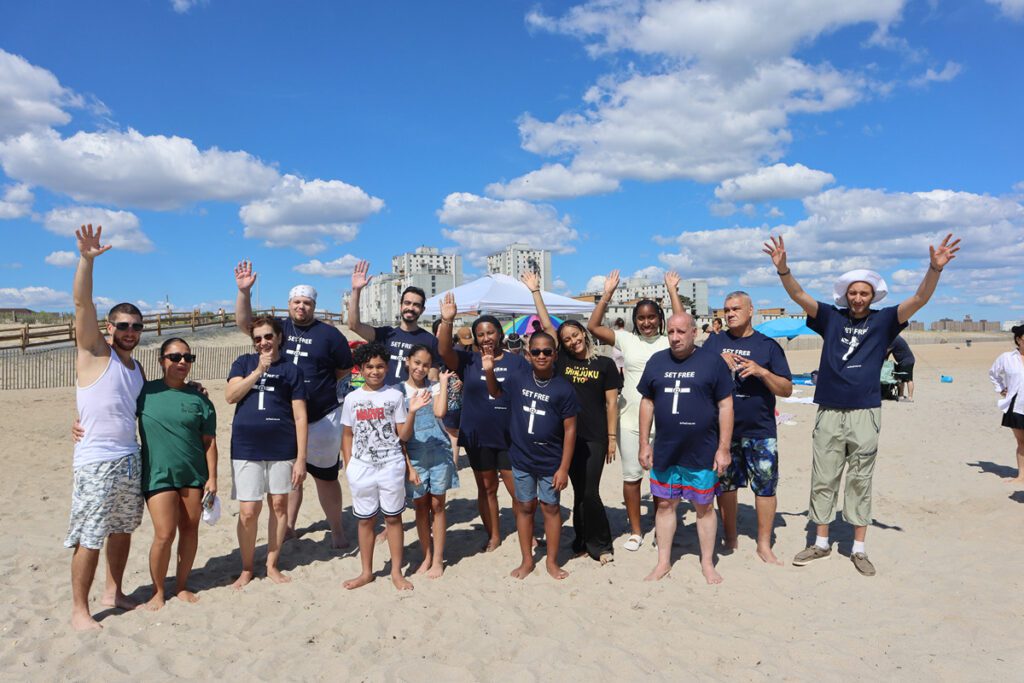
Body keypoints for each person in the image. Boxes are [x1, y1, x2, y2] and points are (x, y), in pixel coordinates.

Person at [764, 233, 960, 576]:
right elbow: (798, 295)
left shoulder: (884, 321)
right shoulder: (830, 317)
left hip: (865, 411)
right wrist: (783, 269)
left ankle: (858, 548)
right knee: (823, 477)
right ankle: (820, 543)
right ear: (845, 295)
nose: (857, 298)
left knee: (860, 479)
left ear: (873, 295)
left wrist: (934, 269)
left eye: (864, 293)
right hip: (829, 409)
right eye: (853, 292)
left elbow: (919, 298)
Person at [234, 262, 352, 548]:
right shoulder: (277, 329)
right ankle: (288, 527)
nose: (302, 307)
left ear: (314, 306)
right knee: (291, 478)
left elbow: (343, 370)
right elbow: (245, 324)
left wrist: (320, 391)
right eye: (297, 302)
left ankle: (336, 529)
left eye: (307, 303)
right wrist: (244, 293)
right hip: (286, 418)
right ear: (289, 304)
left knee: (325, 477)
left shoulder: (329, 334)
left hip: (323, 416)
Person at [66, 224, 146, 631]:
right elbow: (82, 305)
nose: (130, 331)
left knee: (122, 530)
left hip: (128, 459)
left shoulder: (136, 368)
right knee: (90, 536)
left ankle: (112, 591)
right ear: (110, 328)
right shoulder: (96, 352)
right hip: (95, 460)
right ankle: (80, 609)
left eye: (136, 326)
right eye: (123, 325)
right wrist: (86, 260)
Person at [525, 271, 621, 563]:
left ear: (584, 334)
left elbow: (611, 404)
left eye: (575, 335)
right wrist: (535, 292)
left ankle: (602, 545)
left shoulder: (604, 364)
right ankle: (581, 540)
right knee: (578, 492)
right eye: (566, 339)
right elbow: (546, 326)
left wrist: (611, 438)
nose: (572, 341)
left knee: (590, 492)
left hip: (594, 438)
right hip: (567, 438)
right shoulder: (562, 362)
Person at [587, 269, 685, 551]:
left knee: (661, 478)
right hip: (629, 418)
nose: (646, 322)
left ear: (660, 318)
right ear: (635, 320)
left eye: (652, 317)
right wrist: (606, 294)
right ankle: (636, 530)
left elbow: (683, 321)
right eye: (641, 318)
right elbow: (593, 327)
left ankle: (660, 527)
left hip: (665, 421)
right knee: (632, 476)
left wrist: (672, 291)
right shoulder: (625, 340)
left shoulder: (670, 339)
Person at [637, 313, 734, 584]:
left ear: (693, 332)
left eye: (681, 332)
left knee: (703, 505)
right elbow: (647, 402)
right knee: (666, 504)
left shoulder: (712, 362)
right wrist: (644, 443)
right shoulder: (657, 362)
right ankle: (663, 562)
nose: (675, 337)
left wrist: (723, 448)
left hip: (701, 450)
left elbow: (726, 405)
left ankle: (707, 563)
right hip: (666, 450)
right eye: (671, 332)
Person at [703, 292, 793, 565]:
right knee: (727, 487)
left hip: (760, 430)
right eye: (726, 310)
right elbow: (699, 373)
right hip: (724, 431)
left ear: (751, 310)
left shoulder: (767, 346)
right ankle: (730, 537)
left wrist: (761, 371)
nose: (730, 314)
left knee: (765, 488)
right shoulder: (715, 341)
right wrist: (719, 359)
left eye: (736, 309)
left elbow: (787, 389)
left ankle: (764, 545)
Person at [438, 292, 530, 552]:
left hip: (511, 435)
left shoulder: (517, 362)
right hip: (478, 434)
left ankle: (527, 531)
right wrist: (447, 321)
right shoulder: (468, 361)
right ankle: (494, 535)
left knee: (518, 491)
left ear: (500, 334)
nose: (486, 338)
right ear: (476, 339)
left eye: (490, 333)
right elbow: (443, 350)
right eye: (481, 334)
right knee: (487, 488)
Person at [483, 332, 578, 579]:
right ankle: (527, 560)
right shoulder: (518, 379)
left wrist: (564, 468)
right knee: (524, 506)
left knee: (550, 508)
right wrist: (490, 370)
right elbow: (495, 393)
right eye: (536, 352)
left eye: (547, 351)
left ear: (555, 354)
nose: (542, 356)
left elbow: (570, 430)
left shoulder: (563, 388)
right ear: (528, 354)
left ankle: (552, 563)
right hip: (522, 458)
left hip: (550, 461)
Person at [225, 317, 308, 588]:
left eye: (268, 336)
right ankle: (247, 567)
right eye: (258, 338)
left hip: (281, 447)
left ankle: (272, 563)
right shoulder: (244, 363)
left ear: (279, 337)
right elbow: (230, 396)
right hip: (247, 446)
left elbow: (299, 416)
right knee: (249, 510)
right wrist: (258, 371)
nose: (263, 342)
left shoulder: (292, 370)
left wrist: (301, 459)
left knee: (279, 505)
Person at [137, 338, 218, 609]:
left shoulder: (200, 400)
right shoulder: (144, 392)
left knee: (190, 529)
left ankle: (181, 586)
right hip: (157, 475)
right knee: (164, 533)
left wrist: (213, 478)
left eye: (187, 357)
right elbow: (112, 410)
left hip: (193, 474)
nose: (182, 362)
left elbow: (209, 442)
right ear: (162, 361)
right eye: (174, 357)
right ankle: (158, 590)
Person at [340, 342, 415, 591]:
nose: (375, 371)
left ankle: (396, 571)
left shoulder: (395, 395)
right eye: (369, 366)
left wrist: (412, 412)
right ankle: (366, 572)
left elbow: (402, 434)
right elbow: (347, 434)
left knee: (393, 518)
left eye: (380, 366)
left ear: (388, 367)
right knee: (365, 520)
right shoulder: (352, 398)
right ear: (360, 369)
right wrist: (349, 464)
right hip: (361, 467)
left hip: (390, 464)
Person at [400, 345, 459, 578]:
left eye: (425, 364)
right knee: (420, 506)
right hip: (414, 455)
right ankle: (426, 555)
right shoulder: (398, 391)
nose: (420, 368)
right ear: (408, 362)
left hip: (438, 454)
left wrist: (442, 384)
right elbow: (400, 437)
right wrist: (409, 466)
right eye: (416, 363)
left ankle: (437, 559)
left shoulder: (434, 388)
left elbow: (440, 412)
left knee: (438, 505)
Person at [347, 260, 438, 384]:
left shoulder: (430, 341)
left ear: (422, 310)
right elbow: (354, 325)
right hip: (386, 398)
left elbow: (433, 377)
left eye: (416, 305)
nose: (411, 308)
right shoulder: (385, 334)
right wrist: (356, 290)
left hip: (414, 400)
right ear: (400, 306)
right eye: (407, 303)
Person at [989, 324, 1024, 485]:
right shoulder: (1007, 357)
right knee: (1022, 442)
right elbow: (993, 373)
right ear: (1018, 339)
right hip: (1016, 404)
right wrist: (1001, 389)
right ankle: (1021, 476)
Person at [887, 335, 916, 402]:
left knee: (909, 379)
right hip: (904, 361)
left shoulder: (893, 339)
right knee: (900, 379)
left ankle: (910, 397)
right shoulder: (896, 337)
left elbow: (887, 351)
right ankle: (901, 396)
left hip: (906, 361)